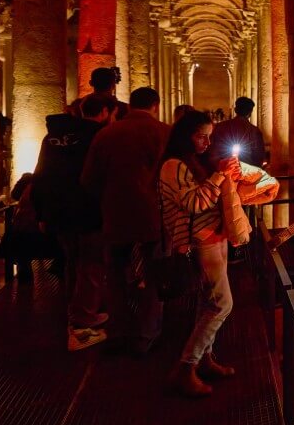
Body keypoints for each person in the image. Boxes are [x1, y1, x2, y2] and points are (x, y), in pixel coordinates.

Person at [158, 110, 276, 397]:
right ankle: (186, 367)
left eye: (209, 137)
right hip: (200, 243)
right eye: (201, 136)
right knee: (222, 303)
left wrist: (232, 177)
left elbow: (211, 196)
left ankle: (204, 359)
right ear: (185, 135)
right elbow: (194, 203)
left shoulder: (193, 162)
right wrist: (220, 175)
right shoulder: (172, 166)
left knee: (208, 303)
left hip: (215, 237)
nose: (206, 143)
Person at [81, 86, 170, 356]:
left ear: (129, 106)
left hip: (116, 215)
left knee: (115, 275)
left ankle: (118, 330)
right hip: (155, 215)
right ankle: (146, 333)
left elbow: (88, 180)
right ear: (155, 105)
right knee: (155, 274)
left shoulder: (106, 134)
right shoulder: (165, 133)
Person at [34, 93, 117, 351]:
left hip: (58, 212)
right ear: (105, 112)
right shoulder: (99, 137)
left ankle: (77, 310)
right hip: (87, 210)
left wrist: (41, 213)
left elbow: (40, 175)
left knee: (72, 261)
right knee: (91, 265)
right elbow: (104, 178)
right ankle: (81, 328)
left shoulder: (53, 138)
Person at [209, 96, 266, 167]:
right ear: (250, 112)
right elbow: (258, 156)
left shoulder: (220, 126)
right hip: (246, 170)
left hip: (222, 168)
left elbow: (212, 148)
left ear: (235, 110)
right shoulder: (254, 131)